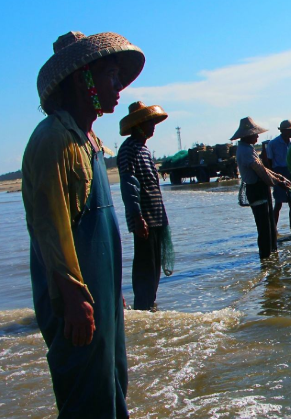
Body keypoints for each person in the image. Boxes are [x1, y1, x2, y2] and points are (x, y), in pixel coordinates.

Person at [23, 31, 145, 418]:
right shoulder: (54, 140)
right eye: (111, 75)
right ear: (82, 78)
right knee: (85, 393)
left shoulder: (89, 140)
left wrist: (110, 291)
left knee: (111, 379)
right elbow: (49, 229)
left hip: (99, 290)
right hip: (74, 297)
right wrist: (74, 298)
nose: (118, 89)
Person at [117, 101, 173, 311]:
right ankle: (142, 307)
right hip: (144, 220)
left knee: (154, 266)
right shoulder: (128, 149)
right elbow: (129, 185)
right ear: (139, 125)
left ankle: (150, 306)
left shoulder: (145, 150)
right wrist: (137, 217)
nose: (153, 127)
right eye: (149, 123)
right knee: (145, 267)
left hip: (157, 217)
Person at [233, 117, 291, 259]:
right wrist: (278, 182)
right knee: (264, 228)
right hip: (256, 191)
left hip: (261, 190)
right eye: (255, 134)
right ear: (248, 135)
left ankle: (272, 256)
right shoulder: (245, 151)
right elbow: (261, 172)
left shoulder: (248, 148)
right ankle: (266, 259)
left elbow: (263, 168)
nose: (257, 136)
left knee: (270, 225)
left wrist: (278, 176)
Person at [266, 120, 291, 234]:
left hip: (290, 172)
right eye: (288, 130)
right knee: (278, 202)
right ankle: (274, 228)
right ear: (282, 130)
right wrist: (274, 177)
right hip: (278, 172)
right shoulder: (273, 143)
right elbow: (269, 161)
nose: (289, 132)